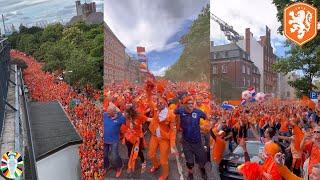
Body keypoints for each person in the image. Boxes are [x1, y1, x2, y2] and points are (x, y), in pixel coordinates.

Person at [146, 80, 177, 180]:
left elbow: (173, 131)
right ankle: (156, 165)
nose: (158, 103)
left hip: (164, 139)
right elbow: (149, 100)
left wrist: (172, 145)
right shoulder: (155, 108)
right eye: (158, 102)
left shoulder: (171, 115)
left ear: (165, 103)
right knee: (151, 154)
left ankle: (165, 175)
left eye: (161, 102)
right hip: (155, 136)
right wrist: (148, 90)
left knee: (164, 160)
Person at [175, 96, 208, 180]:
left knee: (201, 160)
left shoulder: (198, 112)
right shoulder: (181, 110)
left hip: (197, 141)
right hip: (186, 142)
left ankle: (202, 169)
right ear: (185, 104)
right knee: (189, 162)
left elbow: (206, 117)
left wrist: (206, 126)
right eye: (189, 103)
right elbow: (173, 112)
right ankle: (190, 174)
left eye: (192, 103)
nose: (191, 105)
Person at [103, 104, 126, 178]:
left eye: (109, 112)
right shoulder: (105, 115)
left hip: (114, 141)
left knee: (114, 156)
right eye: (107, 111)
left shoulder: (120, 118)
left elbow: (125, 118)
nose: (107, 114)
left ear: (114, 112)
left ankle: (120, 166)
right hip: (105, 140)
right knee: (104, 155)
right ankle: (106, 166)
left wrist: (118, 115)